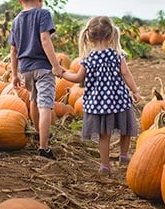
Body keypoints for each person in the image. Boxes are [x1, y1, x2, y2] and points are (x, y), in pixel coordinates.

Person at [61, 16, 142, 174]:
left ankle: (105, 165)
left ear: (89, 38)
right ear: (111, 36)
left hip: (99, 102)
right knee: (125, 128)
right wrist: (135, 91)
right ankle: (124, 155)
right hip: (119, 99)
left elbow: (78, 78)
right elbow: (126, 73)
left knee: (104, 135)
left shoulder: (88, 59)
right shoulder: (118, 54)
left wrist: (62, 73)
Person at [9, 0, 66, 159]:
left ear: (19, 0)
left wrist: (14, 74)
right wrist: (55, 65)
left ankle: (36, 132)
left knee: (33, 100)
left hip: (25, 69)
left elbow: (13, 49)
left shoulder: (16, 20)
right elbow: (44, 40)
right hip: (43, 67)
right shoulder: (43, 15)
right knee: (46, 105)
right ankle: (43, 147)